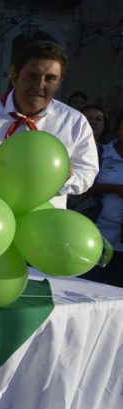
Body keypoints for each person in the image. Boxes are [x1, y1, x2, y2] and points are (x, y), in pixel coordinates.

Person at [0, 41, 98, 209]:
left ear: (59, 81)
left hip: (46, 224)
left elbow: (88, 172)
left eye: (50, 78)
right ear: (14, 75)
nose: (39, 86)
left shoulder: (74, 122)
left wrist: (64, 179)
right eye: (32, 76)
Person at [86, 115, 123, 286]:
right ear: (117, 130)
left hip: (121, 243)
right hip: (95, 237)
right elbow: (83, 187)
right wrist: (113, 188)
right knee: (88, 288)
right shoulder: (100, 153)